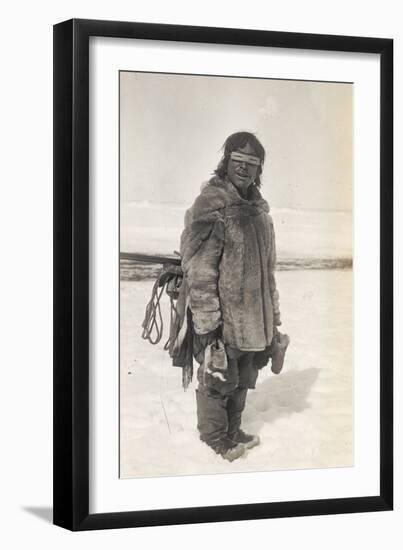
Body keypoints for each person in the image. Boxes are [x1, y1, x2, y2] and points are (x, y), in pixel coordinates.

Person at [172, 131, 282, 462]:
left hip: (254, 316)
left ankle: (233, 430)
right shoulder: (212, 205)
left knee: (244, 375)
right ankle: (215, 438)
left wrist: (272, 318)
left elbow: (268, 272)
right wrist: (207, 324)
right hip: (223, 317)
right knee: (218, 378)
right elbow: (201, 269)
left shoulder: (259, 211)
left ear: (259, 168)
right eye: (239, 160)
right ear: (227, 161)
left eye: (252, 163)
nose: (245, 168)